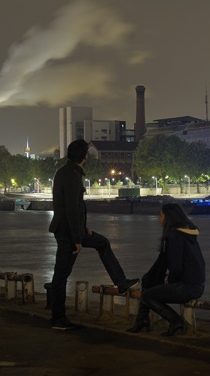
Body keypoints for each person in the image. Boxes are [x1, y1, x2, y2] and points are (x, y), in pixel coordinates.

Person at [49, 139, 139, 330]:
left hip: (71, 230)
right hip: (68, 233)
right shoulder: (72, 175)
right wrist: (76, 239)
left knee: (102, 243)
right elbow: (72, 209)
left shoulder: (65, 172)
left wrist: (83, 228)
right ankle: (57, 319)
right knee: (61, 275)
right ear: (84, 156)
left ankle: (121, 282)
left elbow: (71, 208)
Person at [127, 203, 205, 336]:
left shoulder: (176, 236)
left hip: (188, 287)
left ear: (168, 218)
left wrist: (169, 279)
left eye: (161, 215)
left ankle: (176, 321)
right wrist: (150, 279)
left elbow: (176, 267)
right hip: (195, 284)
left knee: (147, 295)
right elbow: (162, 262)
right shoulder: (183, 234)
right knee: (148, 280)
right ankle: (142, 320)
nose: (158, 218)